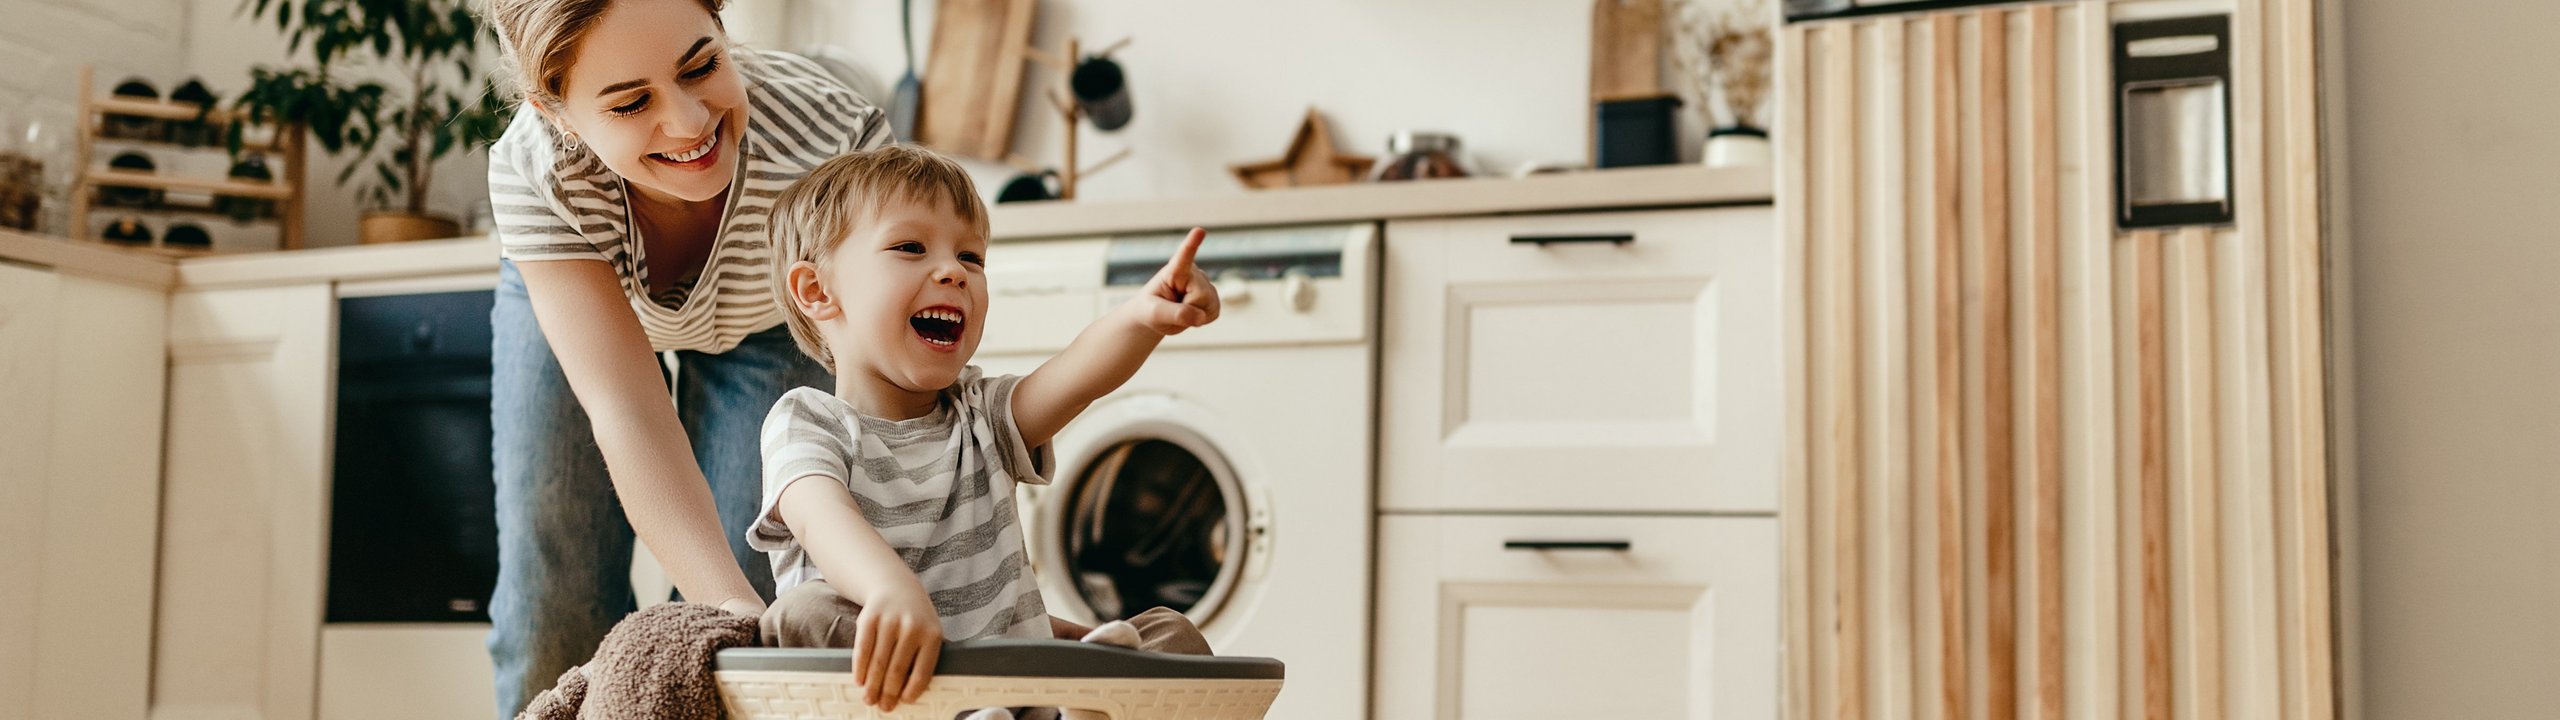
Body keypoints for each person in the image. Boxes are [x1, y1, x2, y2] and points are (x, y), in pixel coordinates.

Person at [475, 0, 890, 715]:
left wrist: (730, 616)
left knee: (747, 587)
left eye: (702, 66)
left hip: (771, 322)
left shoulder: (838, 140)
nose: (691, 122)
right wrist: (724, 607)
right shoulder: (535, 173)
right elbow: (627, 412)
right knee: (552, 594)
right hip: (586, 295)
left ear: (725, 32)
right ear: (558, 115)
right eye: (632, 103)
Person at [747, 145, 1222, 715]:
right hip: (892, 692)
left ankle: (1082, 703)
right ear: (818, 291)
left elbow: (1077, 376)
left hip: (1012, 691)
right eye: (910, 247)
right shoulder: (806, 420)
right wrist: (888, 591)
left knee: (1174, 638)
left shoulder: (982, 415)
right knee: (802, 616)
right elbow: (821, 518)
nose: (953, 270)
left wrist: (1142, 319)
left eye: (971, 257)